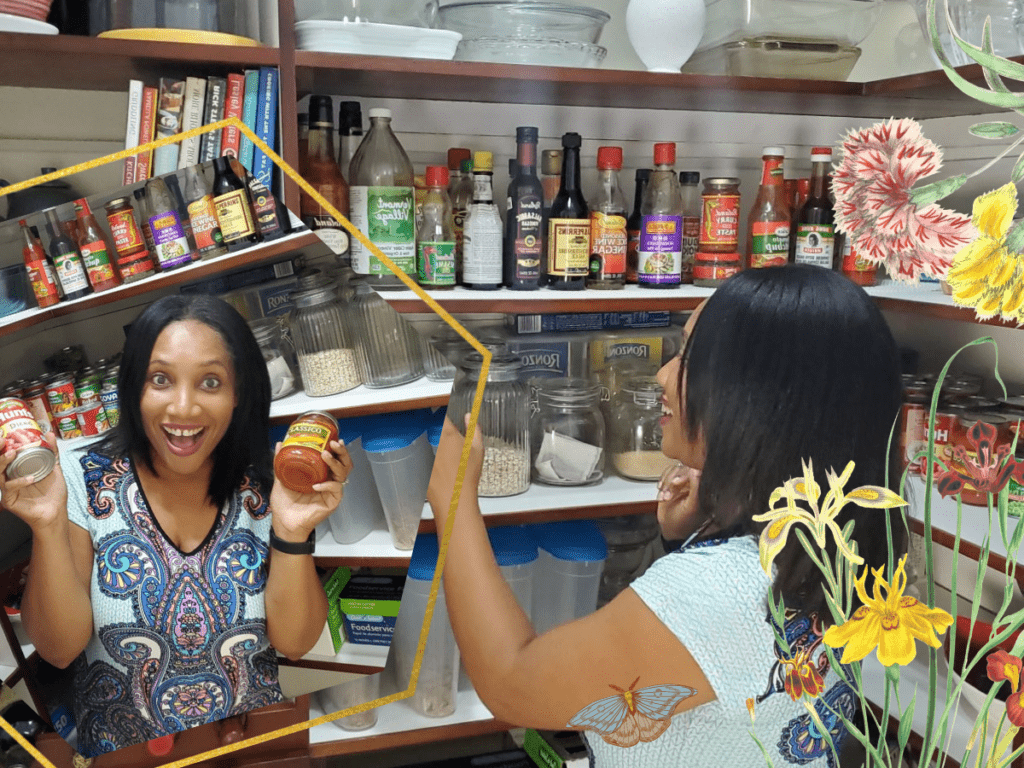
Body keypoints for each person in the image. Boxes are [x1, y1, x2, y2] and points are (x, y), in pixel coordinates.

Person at [427, 265, 905, 768]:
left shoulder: (716, 591)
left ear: (759, 399)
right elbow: (729, 677)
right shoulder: (848, 533)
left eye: (689, 359)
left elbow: (510, 682)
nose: (662, 375)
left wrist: (452, 494)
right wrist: (699, 531)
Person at [0, 295, 351, 757]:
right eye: (160, 379)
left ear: (238, 394)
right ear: (133, 389)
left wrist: (291, 529)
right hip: (126, 751)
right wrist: (47, 525)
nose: (182, 409)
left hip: (248, 744)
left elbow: (296, 642)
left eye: (210, 382)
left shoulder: (267, 487)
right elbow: (60, 650)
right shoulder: (81, 478)